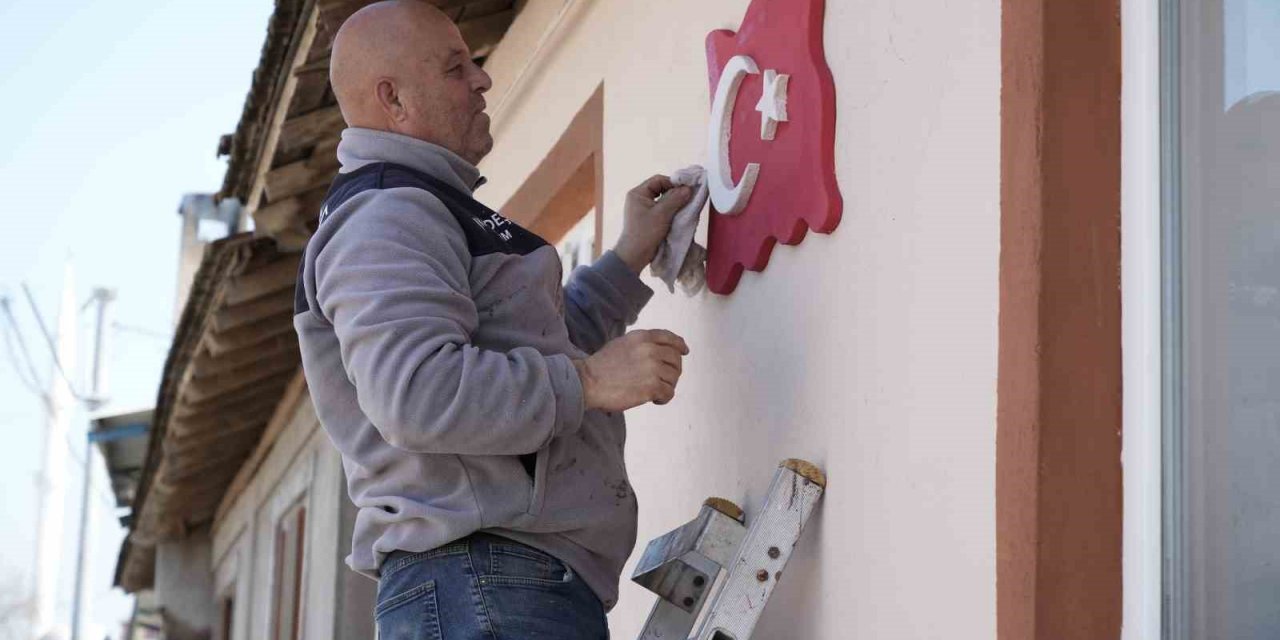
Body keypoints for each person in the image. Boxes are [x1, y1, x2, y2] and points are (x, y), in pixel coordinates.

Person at [292, 1, 695, 637]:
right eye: (456, 68)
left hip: (500, 584)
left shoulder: (426, 209)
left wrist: (626, 259)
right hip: (485, 582)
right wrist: (588, 383)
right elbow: (417, 395)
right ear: (393, 99)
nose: (481, 80)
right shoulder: (386, 215)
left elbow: (540, 342)